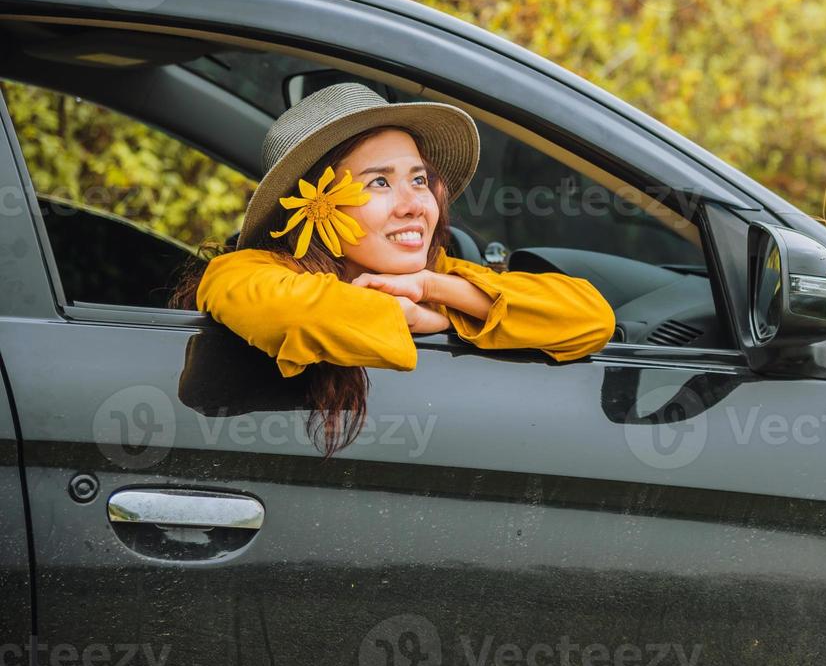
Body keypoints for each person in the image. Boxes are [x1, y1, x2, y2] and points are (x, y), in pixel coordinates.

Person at [170, 82, 617, 457]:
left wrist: (433, 291)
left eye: (419, 180)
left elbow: (590, 319)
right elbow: (304, 317)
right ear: (313, 208)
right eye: (379, 182)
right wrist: (416, 316)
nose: (414, 206)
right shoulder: (241, 272)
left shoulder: (436, 275)